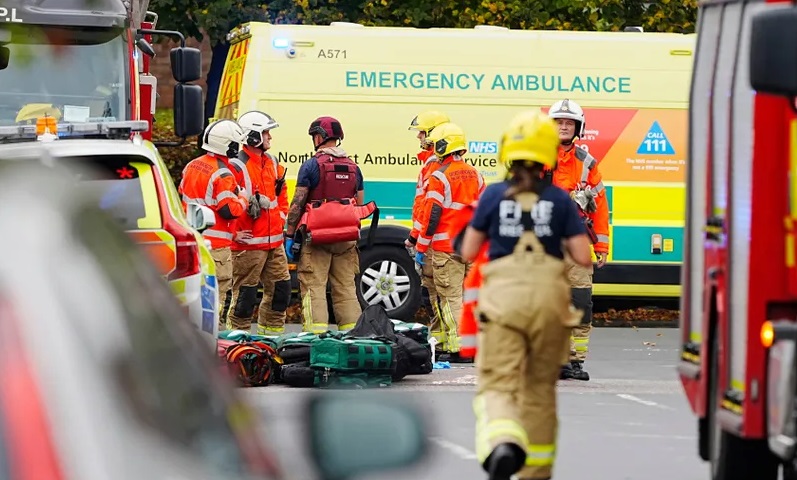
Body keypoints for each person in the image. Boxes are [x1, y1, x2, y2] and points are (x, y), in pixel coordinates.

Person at [458, 110, 592, 480]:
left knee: (499, 384)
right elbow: (583, 256)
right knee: (539, 392)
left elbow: (469, 250)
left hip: (504, 302)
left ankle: (503, 441)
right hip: (550, 304)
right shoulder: (561, 200)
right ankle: (536, 472)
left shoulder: (494, 196)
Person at [546, 98, 610, 382]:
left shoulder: (587, 164)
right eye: (559, 122)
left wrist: (602, 246)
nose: (563, 126)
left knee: (580, 302)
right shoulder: (536, 160)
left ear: (578, 128)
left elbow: (600, 206)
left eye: (568, 123)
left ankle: (576, 362)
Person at [284, 116, 365, 333]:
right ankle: (352, 336)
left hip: (316, 237)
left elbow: (298, 203)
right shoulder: (353, 168)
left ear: (319, 137)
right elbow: (359, 203)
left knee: (314, 287)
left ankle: (316, 336)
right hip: (346, 239)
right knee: (346, 288)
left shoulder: (311, 166)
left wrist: (290, 234)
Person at [414, 122, 484, 363]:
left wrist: (421, 247)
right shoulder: (476, 174)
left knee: (451, 297)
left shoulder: (439, 176)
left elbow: (432, 215)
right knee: (468, 298)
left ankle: (461, 348)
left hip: (446, 248)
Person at [179, 119, 249, 332]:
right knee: (219, 294)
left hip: (193, 239)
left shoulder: (193, 165)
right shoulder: (223, 174)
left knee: (196, 293)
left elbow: (183, 195)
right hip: (217, 248)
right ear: (227, 145)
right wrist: (244, 198)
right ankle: (215, 336)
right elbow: (228, 210)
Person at [226, 110, 291, 335]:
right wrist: (234, 234)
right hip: (248, 245)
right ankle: (237, 342)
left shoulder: (272, 161)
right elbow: (224, 204)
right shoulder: (236, 166)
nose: (270, 137)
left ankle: (271, 340)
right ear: (253, 136)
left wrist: (282, 218)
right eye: (266, 133)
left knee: (281, 292)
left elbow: (281, 194)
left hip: (274, 243)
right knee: (245, 298)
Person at [405, 110, 451, 346]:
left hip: (433, 241)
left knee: (437, 292)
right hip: (431, 238)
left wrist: (416, 237)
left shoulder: (434, 165)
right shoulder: (432, 163)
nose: (419, 137)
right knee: (433, 292)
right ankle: (441, 339)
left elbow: (428, 207)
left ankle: (447, 340)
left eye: (422, 133)